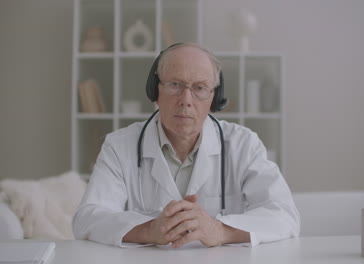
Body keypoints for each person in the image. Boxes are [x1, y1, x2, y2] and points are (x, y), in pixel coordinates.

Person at [73, 43, 300, 248]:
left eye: (200, 88)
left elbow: (285, 216)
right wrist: (149, 230)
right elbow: (88, 218)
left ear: (214, 97)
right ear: (155, 90)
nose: (186, 100)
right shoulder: (118, 146)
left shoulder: (243, 144)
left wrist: (219, 230)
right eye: (174, 84)